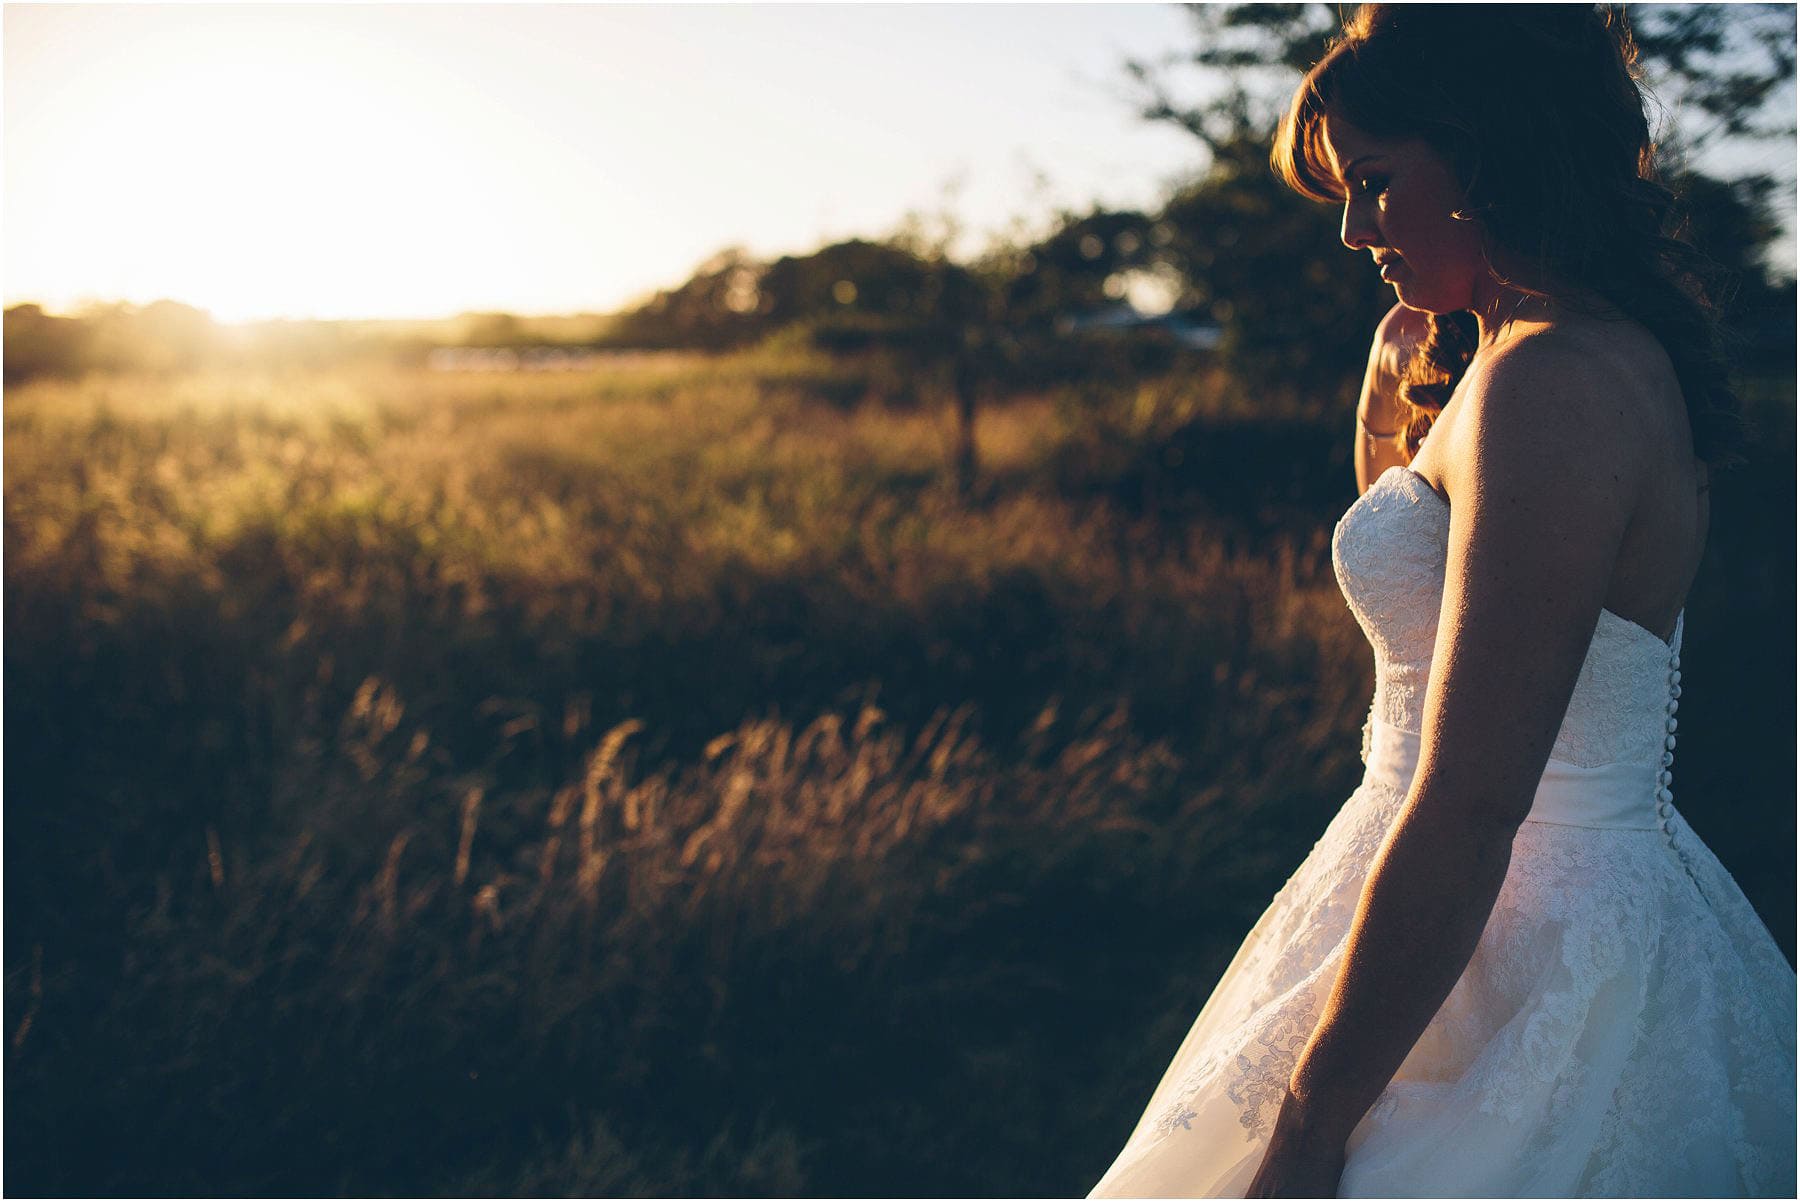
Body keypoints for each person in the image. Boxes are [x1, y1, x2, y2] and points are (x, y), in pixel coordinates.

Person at [1088, 5, 1796, 1197]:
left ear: (1489, 149)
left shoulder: (1554, 381)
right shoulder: (1528, 356)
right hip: (1459, 919)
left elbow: (1471, 802)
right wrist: (1388, 423)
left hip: (1519, 956)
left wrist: (1312, 1126)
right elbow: (1445, 603)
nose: (1358, 229)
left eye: (1374, 182)